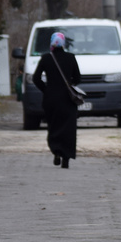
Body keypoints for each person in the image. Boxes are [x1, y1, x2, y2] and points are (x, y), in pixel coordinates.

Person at [34, 30, 81, 168]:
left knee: (53, 125)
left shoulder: (46, 58)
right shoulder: (71, 57)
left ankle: (56, 152)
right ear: (63, 43)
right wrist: (69, 84)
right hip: (67, 99)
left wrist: (46, 89)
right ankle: (66, 157)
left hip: (51, 99)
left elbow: (36, 78)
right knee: (68, 127)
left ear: (52, 44)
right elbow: (78, 78)